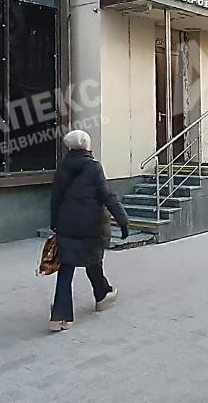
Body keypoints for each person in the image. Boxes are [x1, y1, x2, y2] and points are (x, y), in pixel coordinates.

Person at [49, 130, 130, 332]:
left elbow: (55, 197)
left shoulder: (63, 167)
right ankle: (102, 296)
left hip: (67, 225)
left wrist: (55, 222)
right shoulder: (93, 167)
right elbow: (107, 195)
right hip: (90, 225)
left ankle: (60, 316)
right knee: (93, 260)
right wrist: (123, 220)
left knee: (66, 269)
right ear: (86, 145)